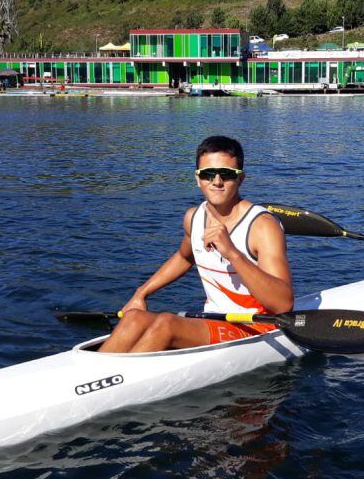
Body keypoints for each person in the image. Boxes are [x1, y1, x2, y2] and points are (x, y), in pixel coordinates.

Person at [99, 136, 293, 353]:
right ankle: (94, 376)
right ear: (197, 179)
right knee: (134, 318)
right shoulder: (193, 217)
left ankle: (119, 383)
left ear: (241, 179)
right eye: (208, 174)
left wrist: (232, 253)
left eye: (227, 174)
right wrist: (141, 293)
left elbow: (283, 303)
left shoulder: (262, 227)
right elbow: (184, 257)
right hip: (214, 320)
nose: (217, 181)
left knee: (166, 323)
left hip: (257, 326)